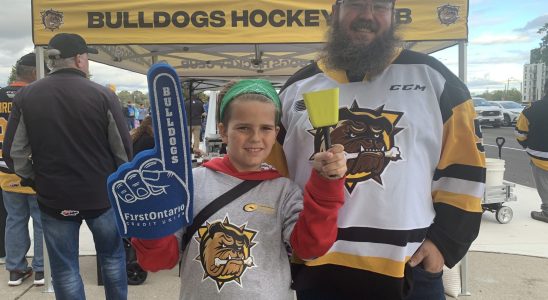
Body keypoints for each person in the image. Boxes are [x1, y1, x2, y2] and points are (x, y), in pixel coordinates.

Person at [267, 0, 486, 299]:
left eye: (379, 6)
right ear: (336, 12)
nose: (367, 16)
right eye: (356, 4)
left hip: (409, 268)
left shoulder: (435, 79)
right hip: (318, 268)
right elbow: (273, 178)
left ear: (393, 14)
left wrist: (444, 244)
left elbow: (466, 171)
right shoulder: (297, 87)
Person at [131, 79, 347, 299]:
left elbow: (311, 249)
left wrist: (324, 185)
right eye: (243, 127)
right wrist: (151, 220)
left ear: (276, 133)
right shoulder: (190, 185)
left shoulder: (285, 192)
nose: (255, 137)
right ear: (223, 132)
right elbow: (158, 261)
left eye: (265, 128)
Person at [3, 33, 131, 299]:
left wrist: (34, 180)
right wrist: (120, 184)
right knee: (112, 259)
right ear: (80, 59)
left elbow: (13, 153)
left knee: (64, 269)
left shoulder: (27, 96)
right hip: (102, 195)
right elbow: (123, 152)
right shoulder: (103, 95)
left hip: (54, 196)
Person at [0, 53, 45, 286]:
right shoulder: (36, 95)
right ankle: (40, 269)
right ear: (35, 72)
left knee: (14, 219)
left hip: (5, 169)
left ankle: (16, 270)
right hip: (32, 168)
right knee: (40, 219)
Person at [515, 79, 548, 223]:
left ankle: (547, 212)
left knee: (544, 184)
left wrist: (527, 146)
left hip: (539, 157)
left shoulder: (531, 109)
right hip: (539, 154)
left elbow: (520, 134)